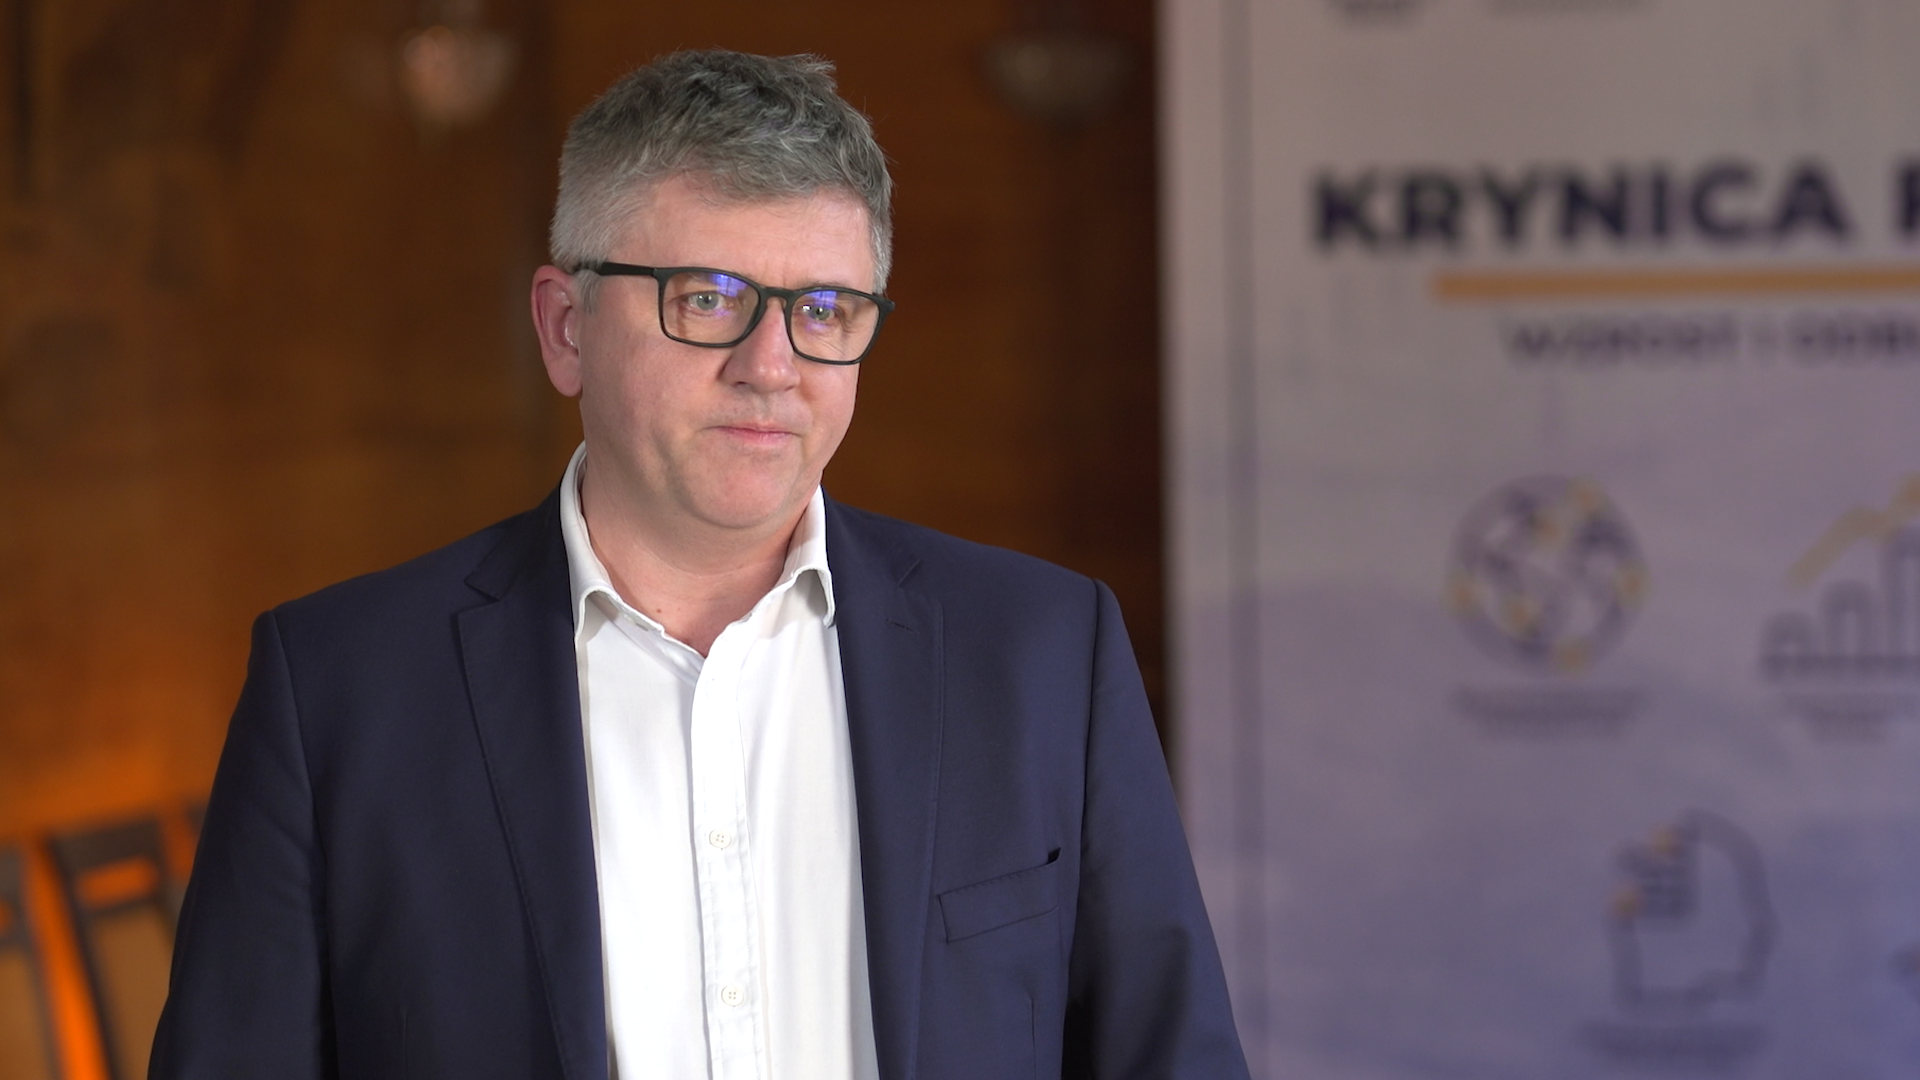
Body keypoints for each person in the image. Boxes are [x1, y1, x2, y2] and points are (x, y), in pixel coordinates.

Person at [150, 49, 1248, 1080]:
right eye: (708, 298)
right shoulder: (338, 691)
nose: (772, 366)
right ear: (565, 328)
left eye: (825, 310)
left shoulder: (1045, 653)